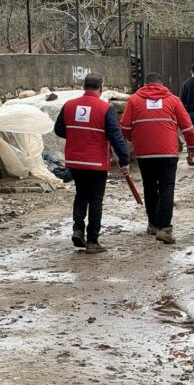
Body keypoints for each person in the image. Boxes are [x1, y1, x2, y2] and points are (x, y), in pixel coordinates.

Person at [53, 73, 130, 254]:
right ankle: (93, 240)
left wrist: (76, 136)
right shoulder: (105, 108)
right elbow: (116, 136)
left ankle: (78, 229)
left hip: (74, 160)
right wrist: (124, 160)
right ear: (101, 88)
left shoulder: (69, 105)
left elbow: (59, 130)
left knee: (81, 195)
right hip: (96, 161)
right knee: (96, 199)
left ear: (83, 87)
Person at [120, 72, 194, 245]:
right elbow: (188, 127)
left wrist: (132, 139)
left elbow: (124, 127)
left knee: (149, 187)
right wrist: (192, 148)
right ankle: (164, 228)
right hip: (168, 153)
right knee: (166, 188)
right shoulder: (173, 100)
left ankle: (153, 224)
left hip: (144, 153)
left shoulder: (134, 100)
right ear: (161, 84)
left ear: (145, 85)